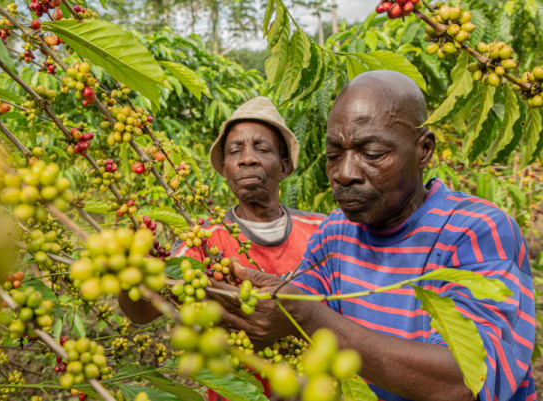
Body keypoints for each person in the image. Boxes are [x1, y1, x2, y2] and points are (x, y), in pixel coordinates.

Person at [208, 71, 536, 401]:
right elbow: (294, 335)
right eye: (333, 155)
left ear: (423, 150)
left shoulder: (475, 230)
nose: (344, 173)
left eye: (373, 153)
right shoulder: (333, 235)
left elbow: (465, 382)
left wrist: (312, 320)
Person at [118, 97, 326, 399]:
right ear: (226, 169)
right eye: (235, 151)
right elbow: (142, 311)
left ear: (283, 167)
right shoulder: (202, 240)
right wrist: (133, 272)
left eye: (262, 148)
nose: (247, 159)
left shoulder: (322, 232)